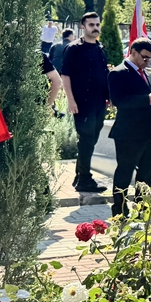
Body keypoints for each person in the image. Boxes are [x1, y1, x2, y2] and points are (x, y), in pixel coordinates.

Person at [107, 38, 151, 216]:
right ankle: (120, 210)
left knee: (146, 174)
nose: (147, 62)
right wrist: (147, 100)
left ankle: (143, 208)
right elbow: (119, 100)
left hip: (149, 131)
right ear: (134, 52)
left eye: (150, 59)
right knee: (125, 172)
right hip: (129, 133)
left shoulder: (146, 73)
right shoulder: (118, 72)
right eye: (145, 58)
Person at [61, 13, 110, 192]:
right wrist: (70, 100)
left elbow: (104, 75)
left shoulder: (100, 48)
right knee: (86, 140)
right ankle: (85, 180)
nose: (95, 28)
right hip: (82, 103)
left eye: (97, 24)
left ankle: (79, 175)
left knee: (91, 140)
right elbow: (65, 75)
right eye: (91, 25)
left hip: (99, 103)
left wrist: (109, 97)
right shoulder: (74, 48)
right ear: (83, 27)